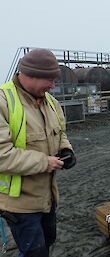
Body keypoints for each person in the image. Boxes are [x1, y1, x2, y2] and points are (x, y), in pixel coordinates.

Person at [0, 49, 76, 257]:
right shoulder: (3, 102)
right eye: (49, 80)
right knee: (35, 252)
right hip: (20, 204)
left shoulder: (51, 102)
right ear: (29, 75)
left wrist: (66, 150)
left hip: (48, 198)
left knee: (47, 244)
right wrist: (45, 162)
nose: (53, 86)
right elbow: (2, 155)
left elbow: (60, 133)